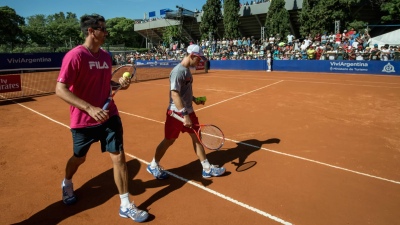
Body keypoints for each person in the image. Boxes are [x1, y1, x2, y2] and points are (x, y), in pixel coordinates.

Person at [55, 14, 148, 223]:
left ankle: (125, 204)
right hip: (83, 120)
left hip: (109, 115)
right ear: (91, 31)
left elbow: (108, 84)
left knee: (119, 156)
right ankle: (67, 182)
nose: (106, 32)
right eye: (102, 29)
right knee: (79, 158)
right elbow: (60, 90)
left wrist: (119, 86)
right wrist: (89, 108)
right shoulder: (75, 56)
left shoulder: (106, 57)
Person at [147, 44, 226, 180]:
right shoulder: (178, 71)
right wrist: (184, 115)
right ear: (192, 56)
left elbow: (183, 92)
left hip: (187, 111)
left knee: (197, 137)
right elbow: (175, 94)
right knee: (169, 140)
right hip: (176, 114)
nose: (200, 61)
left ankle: (206, 168)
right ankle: (153, 165)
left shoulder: (187, 70)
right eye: (199, 59)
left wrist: (194, 99)